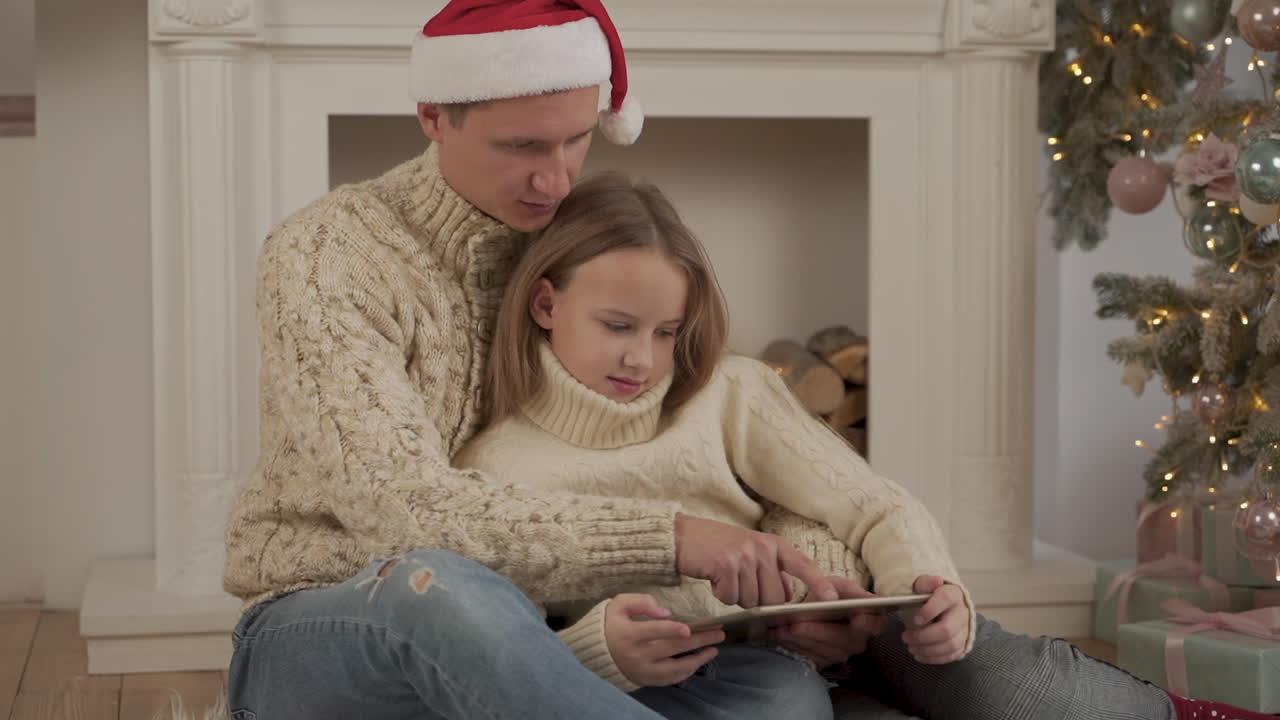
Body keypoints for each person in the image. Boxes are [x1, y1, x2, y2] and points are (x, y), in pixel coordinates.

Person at [219, 0, 1273, 718]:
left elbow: (735, 442)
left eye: (575, 139)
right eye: (519, 148)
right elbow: (407, 518)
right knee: (444, 590)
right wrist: (687, 543)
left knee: (878, 653)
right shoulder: (328, 257)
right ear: (430, 114)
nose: (554, 177)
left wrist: (804, 578)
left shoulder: (585, 255)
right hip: (346, 613)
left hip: (569, 618)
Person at [453, 171, 1280, 720]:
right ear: (545, 304)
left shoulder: (726, 389)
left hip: (857, 622)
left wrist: (932, 591)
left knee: (1052, 694)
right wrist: (600, 651)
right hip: (718, 678)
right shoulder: (499, 467)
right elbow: (508, 648)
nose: (644, 358)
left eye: (666, 331)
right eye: (618, 327)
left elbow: (874, 503)